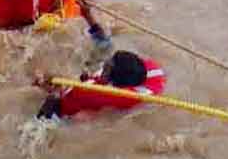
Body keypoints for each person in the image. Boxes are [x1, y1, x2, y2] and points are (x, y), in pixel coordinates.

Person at [34, 50, 166, 119]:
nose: (105, 64)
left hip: (73, 113)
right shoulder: (153, 71)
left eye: (107, 67)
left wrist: (50, 90)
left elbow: (60, 104)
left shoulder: (88, 92)